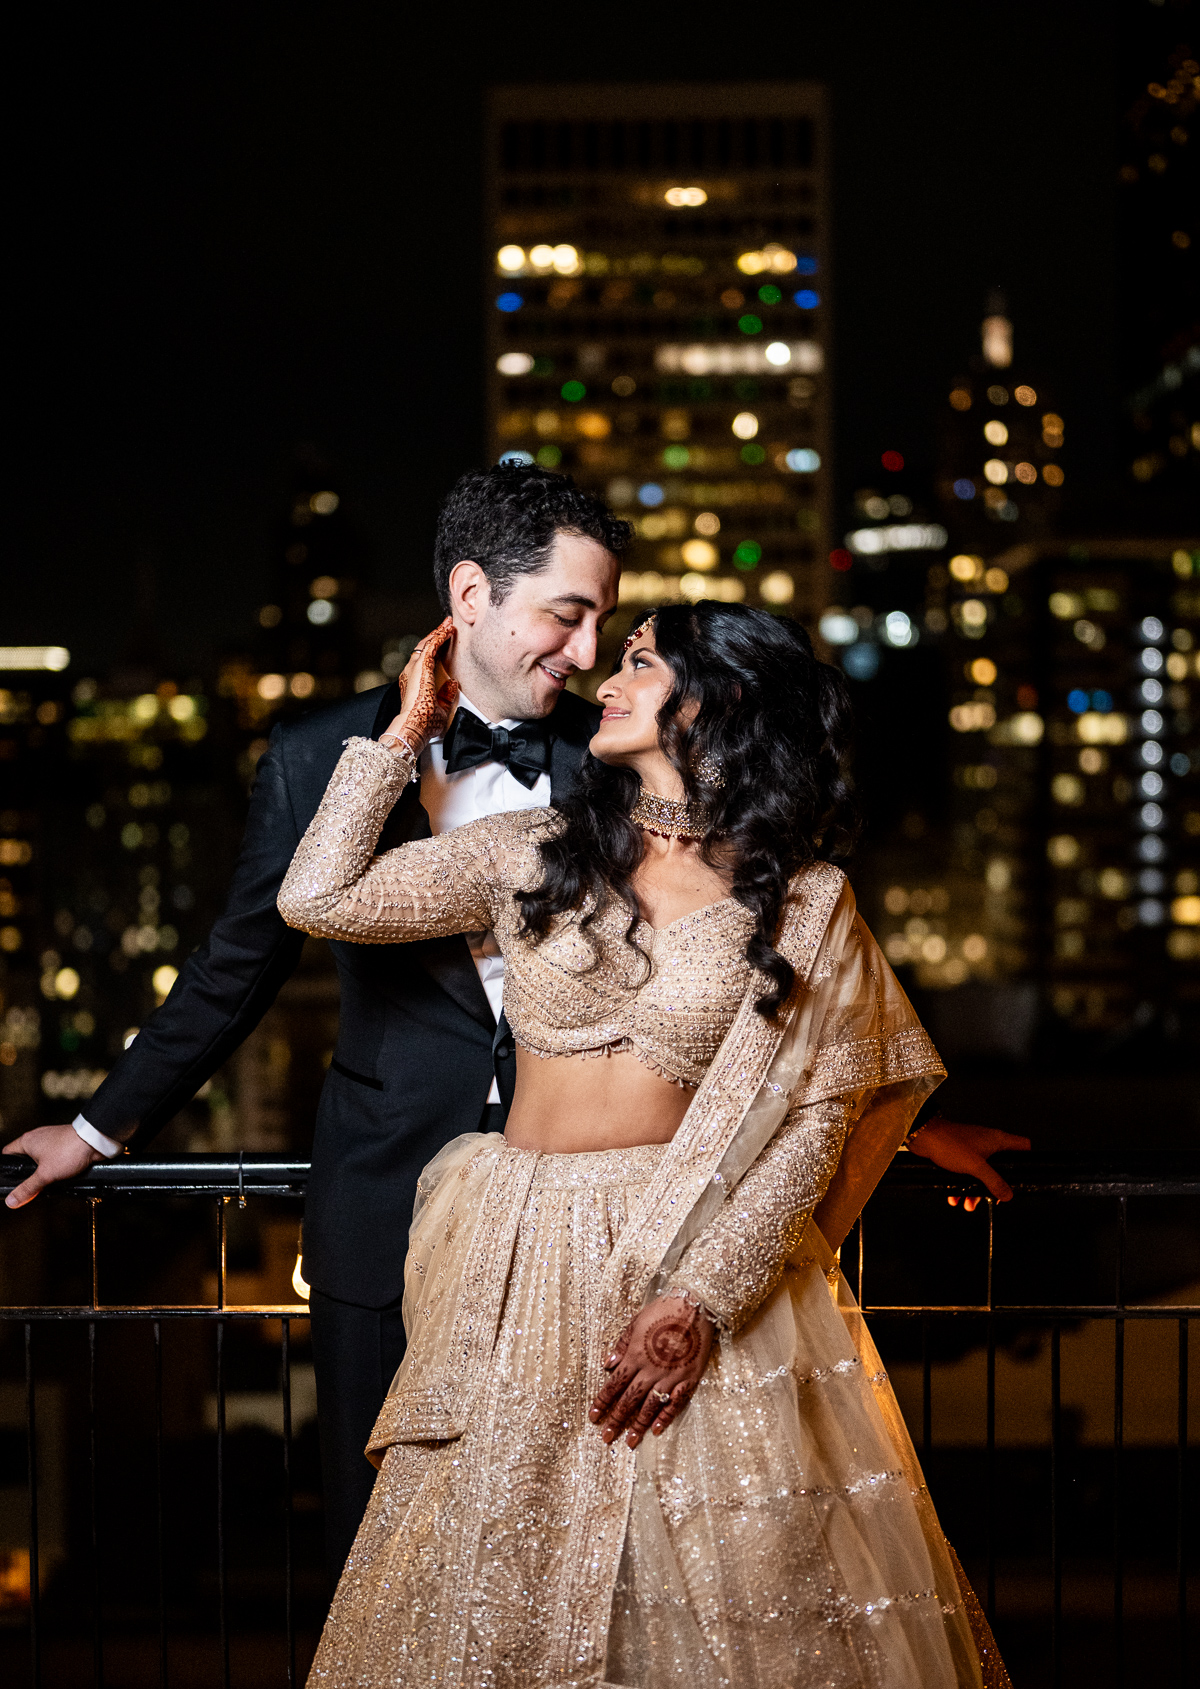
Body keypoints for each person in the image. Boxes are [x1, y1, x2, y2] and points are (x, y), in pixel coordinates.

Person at [3, 464, 1026, 1581]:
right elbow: (243, 961)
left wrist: (913, 1127)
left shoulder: (623, 759)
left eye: (612, 633)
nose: (589, 658)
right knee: (391, 1557)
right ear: (474, 595)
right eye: (570, 616)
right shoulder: (319, 756)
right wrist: (96, 1131)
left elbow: (758, 1005)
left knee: (624, 1554)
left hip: (643, 1234)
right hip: (405, 1206)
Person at [272, 604, 1049, 1689]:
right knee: (484, 1584)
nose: (608, 678)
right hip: (517, 1256)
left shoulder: (805, 903)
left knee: (729, 1590)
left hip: (685, 1257)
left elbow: (814, 1124)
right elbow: (318, 900)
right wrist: (399, 736)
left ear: (720, 702)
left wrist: (696, 1301)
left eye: (640, 662)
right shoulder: (531, 850)